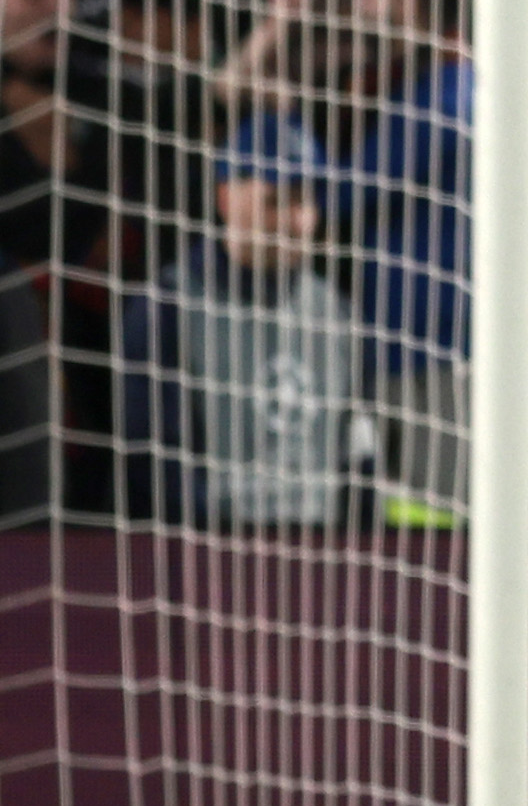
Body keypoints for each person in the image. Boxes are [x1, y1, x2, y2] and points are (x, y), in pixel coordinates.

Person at [118, 113, 360, 527]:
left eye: (307, 201)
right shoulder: (170, 305)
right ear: (226, 198)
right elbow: (153, 465)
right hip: (210, 560)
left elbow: (356, 453)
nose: (299, 222)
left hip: (324, 559)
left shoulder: (335, 312)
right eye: (276, 201)